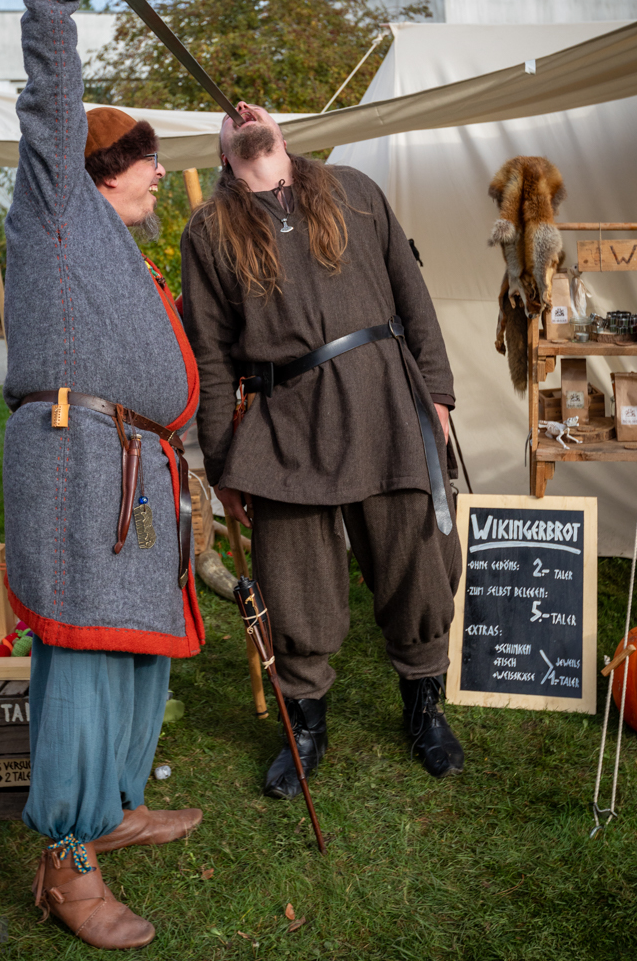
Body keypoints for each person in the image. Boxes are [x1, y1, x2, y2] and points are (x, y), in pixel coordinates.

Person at [2, 0, 205, 949]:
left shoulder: (118, 248)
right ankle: (66, 857)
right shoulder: (56, 209)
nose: (160, 172)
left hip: (129, 466)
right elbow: (53, 99)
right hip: (79, 467)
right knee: (85, 656)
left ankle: (115, 802)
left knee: (134, 654)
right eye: (145, 159)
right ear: (98, 169)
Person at [181, 102, 464, 801]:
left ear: (278, 128)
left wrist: (436, 392)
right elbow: (211, 358)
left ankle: (424, 709)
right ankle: (305, 726)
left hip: (386, 401)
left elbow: (413, 295)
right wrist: (221, 463)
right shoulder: (209, 230)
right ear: (223, 152)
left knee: (416, 565)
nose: (240, 111)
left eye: (251, 105)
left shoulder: (352, 189)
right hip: (285, 421)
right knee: (292, 582)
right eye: (227, 117)